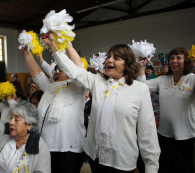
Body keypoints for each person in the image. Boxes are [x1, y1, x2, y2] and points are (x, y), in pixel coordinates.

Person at [44, 32, 160, 173]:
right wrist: (54, 46)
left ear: (127, 64)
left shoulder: (140, 89)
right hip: (96, 158)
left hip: (122, 162)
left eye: (116, 58)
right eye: (108, 57)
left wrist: (151, 166)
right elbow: (72, 70)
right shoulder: (97, 81)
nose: (109, 61)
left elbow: (147, 132)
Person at [20, 43, 86, 173]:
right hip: (45, 147)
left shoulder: (77, 89)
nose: (55, 72)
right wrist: (27, 53)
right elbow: (37, 73)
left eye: (60, 70)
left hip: (69, 152)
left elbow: (79, 68)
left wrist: (65, 42)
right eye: (55, 69)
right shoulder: (50, 89)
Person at [137, 47, 194, 173]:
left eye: (179, 58)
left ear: (186, 61)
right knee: (166, 167)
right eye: (172, 58)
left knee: (185, 168)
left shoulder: (191, 79)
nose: (174, 61)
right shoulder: (163, 79)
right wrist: (141, 67)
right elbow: (142, 87)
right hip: (165, 134)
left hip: (187, 135)